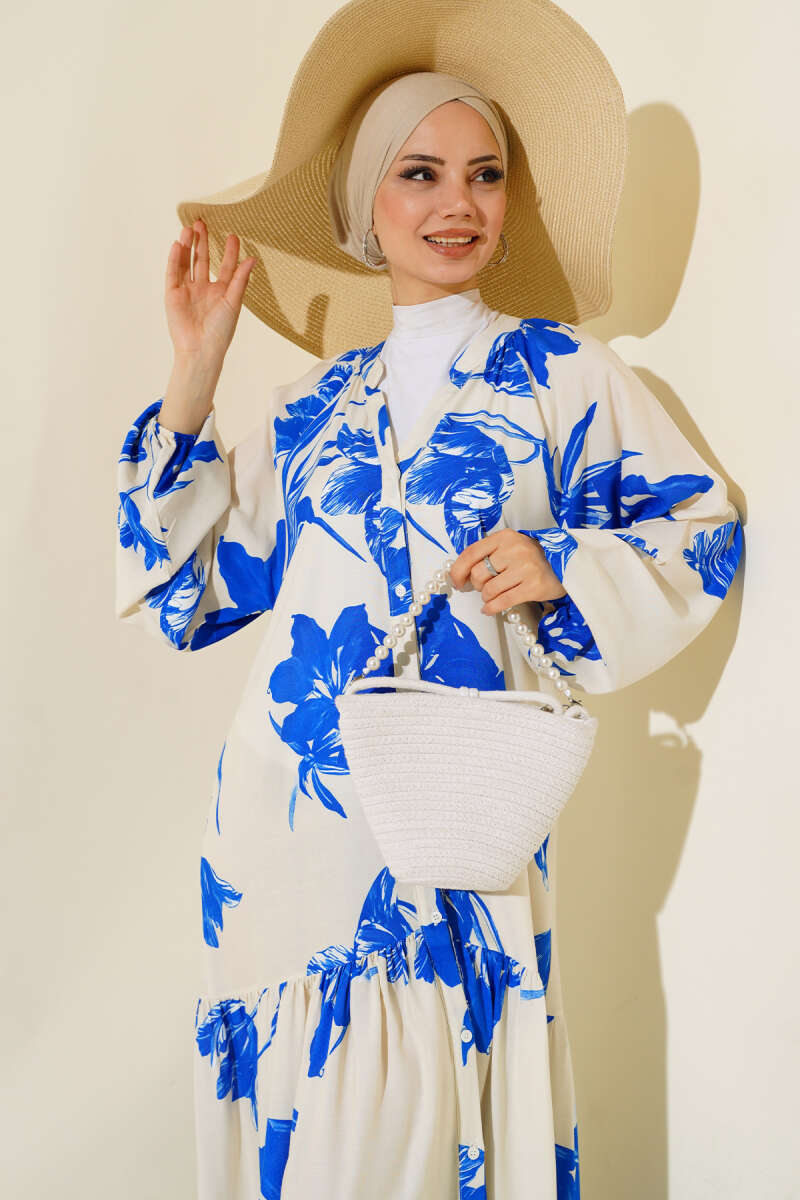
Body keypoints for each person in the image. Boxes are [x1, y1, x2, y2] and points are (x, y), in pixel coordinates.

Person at [115, 6, 743, 1198]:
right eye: (419, 174)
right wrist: (193, 378)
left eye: (483, 175)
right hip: (287, 825)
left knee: (440, 1112)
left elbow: (699, 532)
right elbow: (186, 599)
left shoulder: (563, 374)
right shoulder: (311, 408)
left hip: (463, 815)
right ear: (367, 207)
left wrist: (563, 562)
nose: (457, 203)